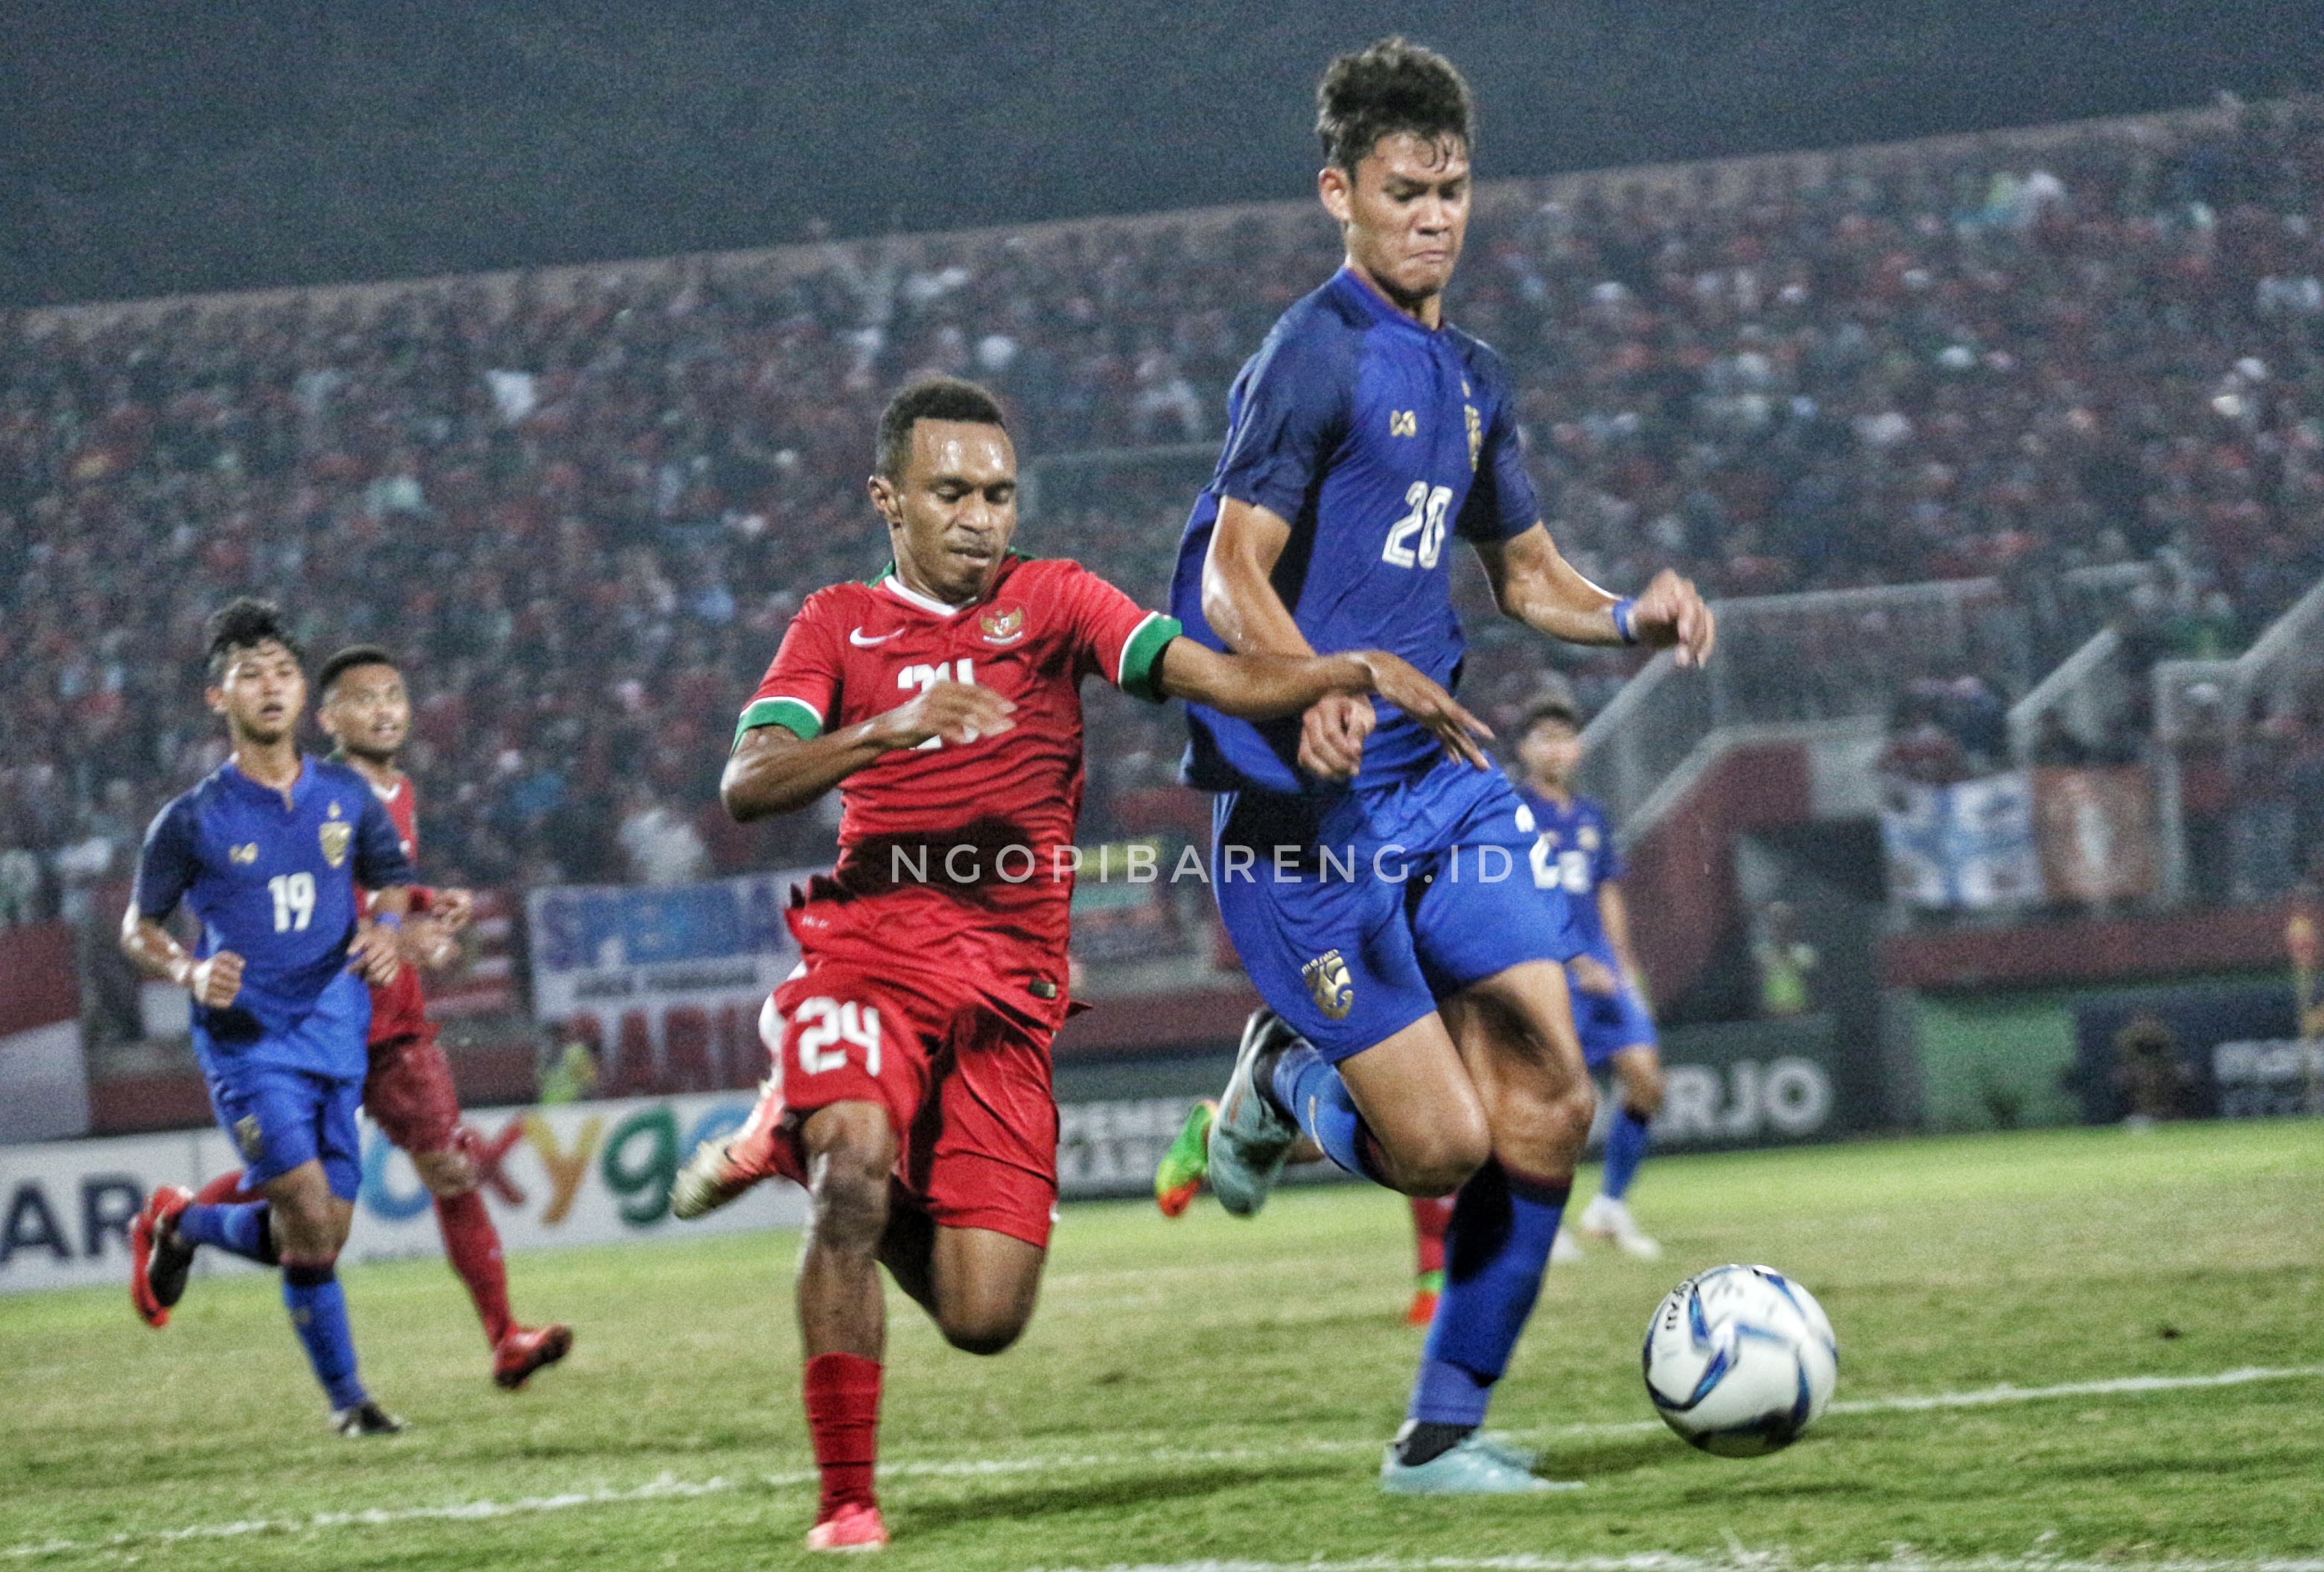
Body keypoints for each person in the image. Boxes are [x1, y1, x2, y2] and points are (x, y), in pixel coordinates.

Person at [668, 375, 1488, 1551]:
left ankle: (794, 1134)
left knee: (983, 1316)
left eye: (998, 493)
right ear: (888, 498)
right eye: (951, 491)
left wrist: (1338, 669)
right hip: (870, 957)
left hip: (1009, 991)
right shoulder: (834, 625)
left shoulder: (1053, 601)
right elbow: (747, 784)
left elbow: (1204, 672)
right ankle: (846, 1501)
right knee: (857, 1171)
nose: (979, 516)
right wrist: (881, 731)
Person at [1159, 39, 1714, 1492]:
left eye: (1453, 189)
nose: (1433, 215)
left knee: (1552, 1097)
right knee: (1438, 1144)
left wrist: (1623, 615)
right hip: (1299, 812)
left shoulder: (1472, 376)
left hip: (1444, 782)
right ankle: (1287, 1088)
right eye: (1404, 190)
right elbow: (1230, 569)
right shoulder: (1312, 353)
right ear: (1339, 191)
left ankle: (1440, 1436)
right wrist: (1306, 695)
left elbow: (1524, 573)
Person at [183, 646, 574, 1390]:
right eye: (365, 699)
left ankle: (505, 1337)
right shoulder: (308, 794)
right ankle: (178, 1220)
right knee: (306, 1205)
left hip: (394, 1024)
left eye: (395, 694)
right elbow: (297, 902)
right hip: (315, 1023)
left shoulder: (399, 790)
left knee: (452, 1167)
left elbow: (371, 885)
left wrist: (424, 903)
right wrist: (404, 929)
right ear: (328, 718)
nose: (386, 709)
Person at [121, 599, 413, 1436]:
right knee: (308, 1209)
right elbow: (135, 927)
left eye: (284, 671)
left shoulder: (345, 795)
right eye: (251, 675)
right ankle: (350, 1400)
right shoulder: (192, 818)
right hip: (249, 1043)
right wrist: (188, 966)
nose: (273, 686)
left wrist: (387, 931)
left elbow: (390, 878)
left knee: (322, 1231)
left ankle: (183, 1221)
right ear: (221, 698)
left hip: (335, 1027)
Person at [1509, 678, 1665, 1259]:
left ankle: (1609, 1207)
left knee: (1647, 1080)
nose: (1556, 749)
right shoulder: (1513, 814)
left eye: (1564, 738)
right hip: (1547, 971)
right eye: (1543, 738)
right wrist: (1572, 959)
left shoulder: (1592, 816)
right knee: (1557, 1103)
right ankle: (1539, 1220)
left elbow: (1607, 894)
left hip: (1604, 974)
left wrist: (1623, 967)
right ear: (1523, 750)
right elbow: (1517, 899)